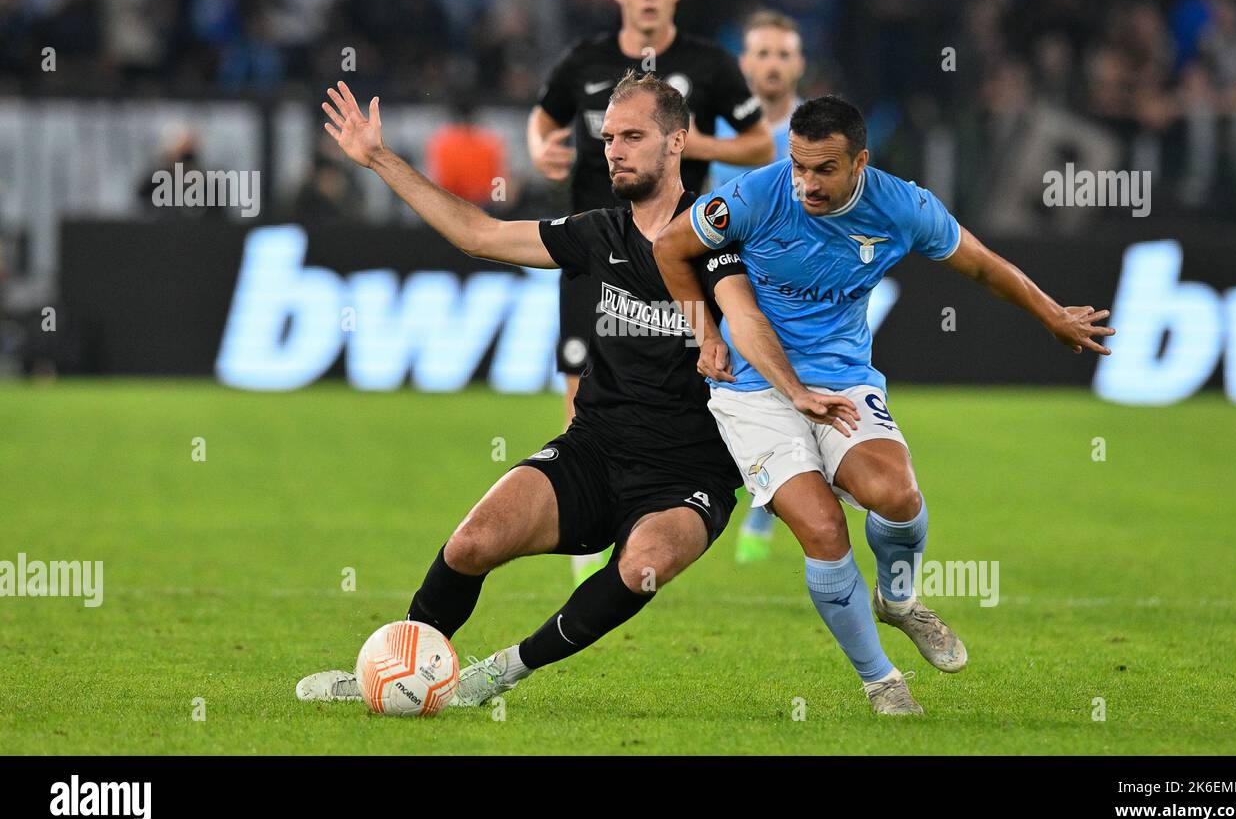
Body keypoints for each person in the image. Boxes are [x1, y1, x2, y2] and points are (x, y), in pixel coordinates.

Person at [296, 75, 849, 708]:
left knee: (642, 565)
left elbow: (767, 311)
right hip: (593, 450)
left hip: (688, 474)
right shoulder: (596, 234)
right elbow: (479, 233)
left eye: (633, 136)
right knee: (472, 542)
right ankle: (395, 670)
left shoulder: (723, 237)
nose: (614, 150)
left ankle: (497, 674)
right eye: (609, 137)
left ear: (678, 142)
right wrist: (379, 159)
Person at [652, 95, 1116, 714]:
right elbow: (669, 248)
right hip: (752, 386)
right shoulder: (754, 196)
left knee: (898, 495)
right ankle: (882, 682)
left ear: (860, 162)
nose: (806, 184)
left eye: (824, 169)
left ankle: (897, 600)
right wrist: (706, 332)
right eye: (798, 166)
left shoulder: (903, 206)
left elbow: (980, 265)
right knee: (822, 529)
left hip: (843, 377)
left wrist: (1051, 314)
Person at [525, 0, 774, 587]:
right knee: (580, 378)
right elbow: (542, 119)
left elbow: (760, 142)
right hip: (594, 246)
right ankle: (587, 517)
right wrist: (541, 150)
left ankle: (680, 498)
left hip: (682, 246)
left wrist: (691, 141)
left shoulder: (710, 65)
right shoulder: (584, 62)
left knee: (689, 371)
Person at [709, 9, 807, 563]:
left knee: (786, 390)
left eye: (782, 54)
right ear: (745, 63)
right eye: (762, 54)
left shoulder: (815, 131)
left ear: (799, 63)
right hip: (720, 281)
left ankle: (760, 507)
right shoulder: (716, 130)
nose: (772, 64)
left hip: (789, 285)